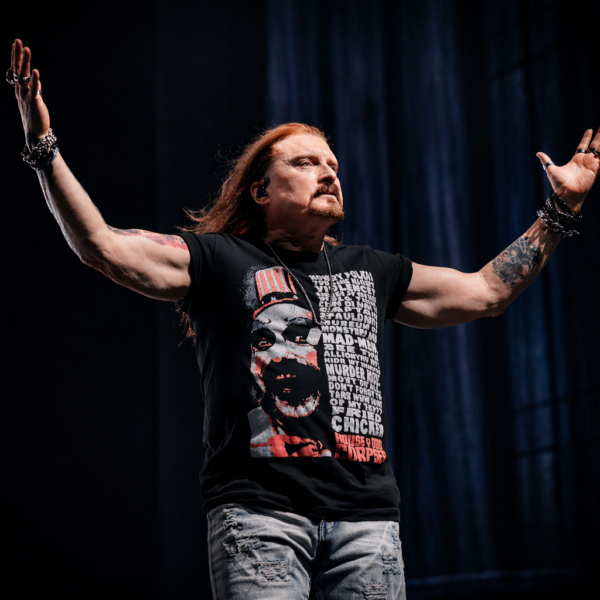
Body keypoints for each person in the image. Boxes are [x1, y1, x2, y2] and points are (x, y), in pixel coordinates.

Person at [8, 39, 599, 600]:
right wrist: (42, 145)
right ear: (261, 190)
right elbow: (101, 245)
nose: (330, 172)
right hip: (258, 516)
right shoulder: (217, 259)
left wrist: (562, 206)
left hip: (367, 523)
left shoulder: (373, 269)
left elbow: (488, 291)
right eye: (307, 162)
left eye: (333, 164)